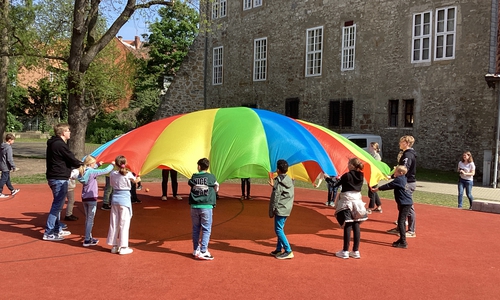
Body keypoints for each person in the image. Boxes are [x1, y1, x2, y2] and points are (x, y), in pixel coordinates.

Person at [43, 123, 83, 241]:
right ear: (62, 133)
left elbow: (66, 159)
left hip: (57, 177)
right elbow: (70, 158)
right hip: (58, 178)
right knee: (57, 206)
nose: (70, 132)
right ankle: (49, 232)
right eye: (68, 130)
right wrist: (81, 164)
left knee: (58, 205)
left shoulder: (55, 143)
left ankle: (57, 229)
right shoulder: (59, 145)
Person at [333, 157, 368, 259]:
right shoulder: (361, 175)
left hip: (347, 201)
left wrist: (327, 177)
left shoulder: (347, 175)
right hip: (357, 201)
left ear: (352, 165)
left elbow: (335, 185)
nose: (347, 165)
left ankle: (345, 251)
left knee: (348, 225)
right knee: (356, 225)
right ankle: (355, 250)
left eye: (348, 164)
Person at [106, 155, 141, 255]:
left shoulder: (113, 173)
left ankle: (114, 245)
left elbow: (112, 185)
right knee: (124, 223)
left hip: (115, 199)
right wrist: (138, 175)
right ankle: (123, 246)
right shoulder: (128, 174)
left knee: (114, 222)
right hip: (124, 200)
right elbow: (136, 180)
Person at [78, 155, 114, 247]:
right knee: (90, 220)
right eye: (94, 163)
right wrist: (112, 165)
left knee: (88, 218)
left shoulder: (84, 171)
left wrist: (98, 164)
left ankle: (88, 237)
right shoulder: (91, 171)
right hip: (92, 198)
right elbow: (104, 171)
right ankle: (87, 240)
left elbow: (93, 169)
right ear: (90, 164)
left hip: (85, 198)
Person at [373, 165, 412, 249]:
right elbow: (392, 181)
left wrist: (377, 189)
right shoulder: (402, 178)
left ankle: (403, 242)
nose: (394, 173)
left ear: (401, 173)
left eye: (396, 172)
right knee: (401, 221)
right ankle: (402, 239)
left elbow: (389, 185)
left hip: (405, 203)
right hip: (406, 202)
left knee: (401, 222)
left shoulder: (399, 180)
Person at [189, 158, 219, 260]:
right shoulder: (211, 177)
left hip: (194, 206)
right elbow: (216, 187)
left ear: (199, 166)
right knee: (206, 229)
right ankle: (203, 251)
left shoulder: (194, 177)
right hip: (206, 206)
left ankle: (195, 249)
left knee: (195, 228)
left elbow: (191, 183)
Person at [387, 136, 417, 238]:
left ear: (407, 143)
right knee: (401, 206)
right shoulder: (406, 154)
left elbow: (404, 169)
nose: (399, 143)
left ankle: (411, 230)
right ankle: (400, 227)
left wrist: (392, 176)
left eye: (402, 141)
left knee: (408, 207)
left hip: (407, 183)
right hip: (405, 182)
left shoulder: (408, 155)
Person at [268, 159, 295, 260]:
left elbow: (276, 196)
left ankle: (288, 250)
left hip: (281, 208)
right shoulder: (288, 180)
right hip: (286, 207)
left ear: (278, 170)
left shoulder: (279, 181)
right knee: (281, 228)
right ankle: (279, 249)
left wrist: (273, 209)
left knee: (278, 230)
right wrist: (274, 185)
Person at [0, 134, 20, 198]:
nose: (13, 141)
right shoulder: (8, 148)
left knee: (7, 179)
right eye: (13, 140)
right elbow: (9, 158)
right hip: (5, 166)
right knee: (4, 179)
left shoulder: (2, 146)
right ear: (9, 140)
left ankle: (12, 190)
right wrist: (13, 166)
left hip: (2, 164)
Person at [367, 142, 383, 213]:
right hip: (370, 175)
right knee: (373, 191)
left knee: (372, 191)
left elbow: (376, 165)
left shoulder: (377, 156)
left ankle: (370, 207)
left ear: (373, 147)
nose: (369, 148)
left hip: (375, 176)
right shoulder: (370, 155)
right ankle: (379, 206)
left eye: (370, 146)